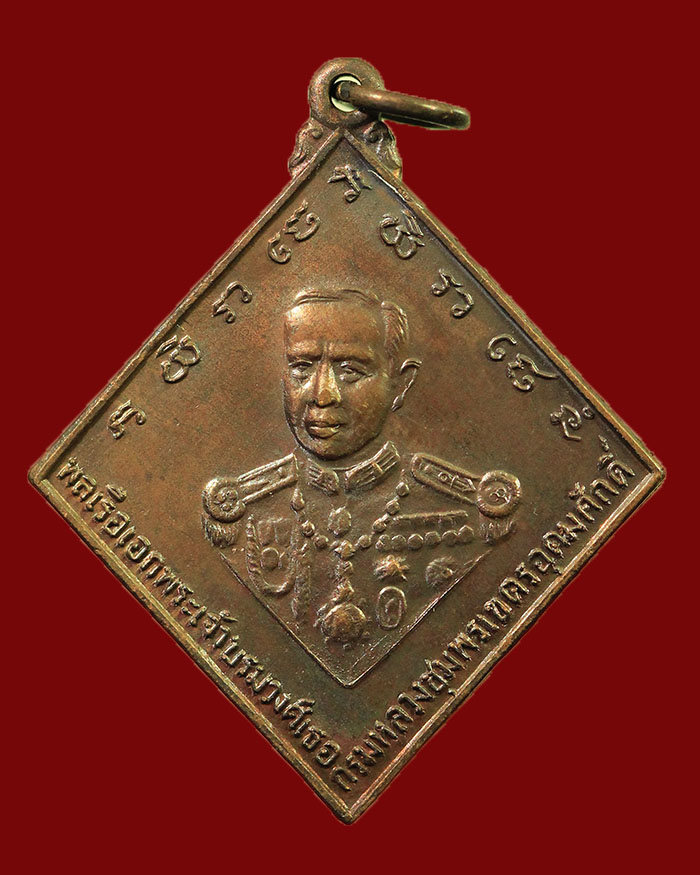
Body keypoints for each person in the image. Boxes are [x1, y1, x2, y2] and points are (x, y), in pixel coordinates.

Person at [202, 289, 520, 686]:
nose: (322, 394)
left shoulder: (468, 508)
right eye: (301, 368)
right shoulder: (238, 509)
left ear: (400, 385)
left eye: (350, 371)